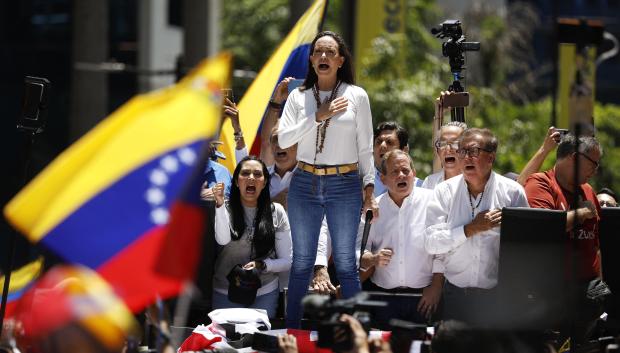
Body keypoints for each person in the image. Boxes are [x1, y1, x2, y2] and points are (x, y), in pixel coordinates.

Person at [278, 30, 377, 328]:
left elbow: (365, 147)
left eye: (329, 52)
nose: (323, 56)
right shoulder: (298, 97)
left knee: (347, 265)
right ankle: (291, 333)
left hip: (344, 182)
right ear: (311, 60)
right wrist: (317, 116)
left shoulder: (356, 95)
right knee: (302, 264)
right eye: (318, 52)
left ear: (340, 60)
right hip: (305, 181)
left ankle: (358, 334)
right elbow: (283, 139)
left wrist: (369, 189)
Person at [424, 128, 529, 325]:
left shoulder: (513, 193)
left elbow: (525, 247)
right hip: (454, 295)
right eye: (462, 151)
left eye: (473, 151)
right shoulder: (444, 191)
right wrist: (470, 229)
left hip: (497, 298)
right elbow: (431, 243)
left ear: (491, 158)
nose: (466, 158)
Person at [311, 121, 419, 294]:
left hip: (392, 281)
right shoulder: (352, 183)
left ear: (404, 150)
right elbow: (326, 226)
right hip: (344, 270)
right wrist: (320, 266)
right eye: (378, 142)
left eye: (389, 142)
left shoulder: (419, 189)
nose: (382, 146)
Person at [524, 134, 603, 345]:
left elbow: (596, 245)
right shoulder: (540, 184)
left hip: (587, 300)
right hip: (550, 297)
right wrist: (582, 214)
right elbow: (543, 230)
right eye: (593, 163)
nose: (596, 170)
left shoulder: (588, 191)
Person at [359, 150, 443, 327]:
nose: (401, 176)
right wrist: (373, 259)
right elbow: (359, 250)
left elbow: (443, 250)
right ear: (383, 179)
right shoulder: (373, 210)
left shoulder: (433, 201)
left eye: (406, 170)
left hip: (424, 297)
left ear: (414, 173)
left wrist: (436, 286)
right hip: (383, 298)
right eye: (394, 172)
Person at [212, 156, 292, 318]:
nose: (251, 178)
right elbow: (222, 240)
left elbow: (287, 261)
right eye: (245, 173)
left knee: (259, 341)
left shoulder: (276, 211)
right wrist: (220, 205)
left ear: (264, 182)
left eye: (257, 174)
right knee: (225, 342)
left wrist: (262, 265)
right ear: (236, 181)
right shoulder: (223, 208)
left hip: (264, 293)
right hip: (225, 291)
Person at [422, 121, 467, 189]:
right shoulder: (430, 183)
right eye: (443, 143)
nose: (448, 149)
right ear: (438, 152)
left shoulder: (477, 182)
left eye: (455, 143)